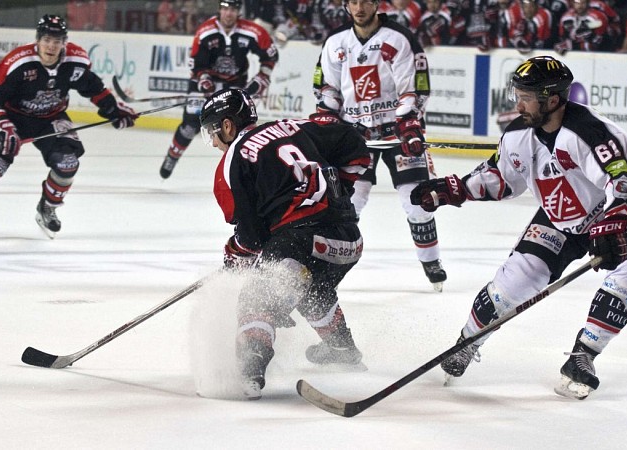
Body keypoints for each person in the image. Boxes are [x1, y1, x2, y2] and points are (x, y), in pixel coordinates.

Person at [410, 56, 627, 400]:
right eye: (517, 94)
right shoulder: (518, 135)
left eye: (526, 97)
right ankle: (466, 343)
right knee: (513, 283)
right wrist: (456, 189)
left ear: (552, 99)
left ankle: (583, 355)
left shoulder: (590, 133)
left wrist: (616, 221)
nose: (518, 103)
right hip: (559, 219)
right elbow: (500, 177)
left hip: (613, 216)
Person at [201, 88, 372, 399]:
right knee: (309, 284)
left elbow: (252, 239)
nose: (213, 142)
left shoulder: (232, 161)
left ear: (227, 126)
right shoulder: (296, 126)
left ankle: (248, 374)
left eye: (213, 133)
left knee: (258, 295)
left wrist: (233, 256)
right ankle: (342, 349)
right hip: (349, 242)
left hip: (301, 241)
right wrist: (339, 192)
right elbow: (356, 145)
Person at [0, 15, 138, 240]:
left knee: (68, 163)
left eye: (57, 40)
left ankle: (47, 208)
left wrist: (114, 111)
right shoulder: (18, 63)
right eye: (47, 39)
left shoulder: (75, 61)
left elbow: (92, 87)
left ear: (64, 42)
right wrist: (3, 126)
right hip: (13, 120)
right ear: (38, 40)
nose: (51, 46)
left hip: (51, 117)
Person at [313, 0, 448, 292]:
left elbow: (415, 88)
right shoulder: (336, 42)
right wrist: (327, 116)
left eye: (366, 1)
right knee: (348, 204)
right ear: (346, 5)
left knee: (417, 202)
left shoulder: (398, 38)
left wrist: (408, 122)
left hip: (397, 134)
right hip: (355, 135)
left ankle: (430, 261)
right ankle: (329, 267)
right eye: (353, 2)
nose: (359, 7)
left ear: (377, 4)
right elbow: (327, 88)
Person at [159, 0, 278, 180]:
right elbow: (197, 65)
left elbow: (270, 55)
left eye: (233, 9)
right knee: (191, 124)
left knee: (235, 128)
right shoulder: (206, 31)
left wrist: (263, 77)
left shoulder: (253, 31)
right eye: (225, 9)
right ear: (219, 10)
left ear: (238, 11)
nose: (228, 13)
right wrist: (204, 80)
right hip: (208, 81)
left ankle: (238, 170)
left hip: (234, 83)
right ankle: (172, 156)